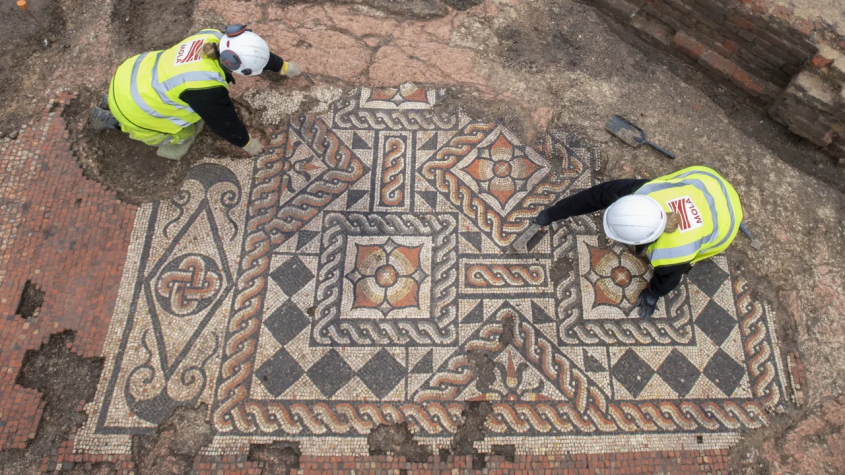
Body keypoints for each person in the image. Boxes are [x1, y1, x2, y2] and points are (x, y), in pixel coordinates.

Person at [534, 166, 742, 319]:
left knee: (688, 262)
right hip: (707, 180)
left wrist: (653, 293)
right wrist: (553, 213)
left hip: (728, 222)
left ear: (644, 242)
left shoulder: (674, 253)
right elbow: (595, 196)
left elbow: (670, 279)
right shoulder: (642, 192)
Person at [89, 24, 302, 160]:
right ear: (233, 66)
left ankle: (111, 100)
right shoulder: (205, 87)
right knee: (187, 132)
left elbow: (251, 52)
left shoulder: (212, 36)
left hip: (131, 74)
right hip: (135, 109)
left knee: (163, 94)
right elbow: (223, 121)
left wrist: (282, 66)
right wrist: (245, 142)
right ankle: (112, 120)